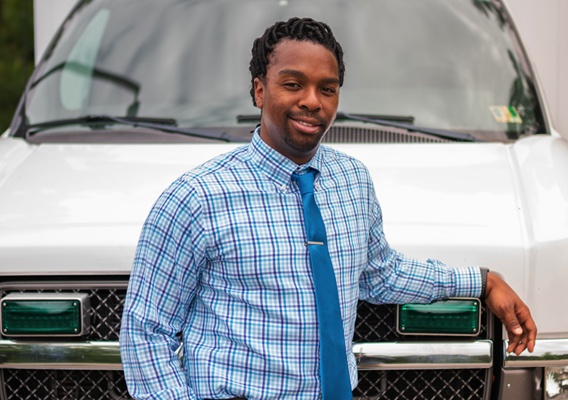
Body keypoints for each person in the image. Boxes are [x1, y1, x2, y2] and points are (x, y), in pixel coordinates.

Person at [120, 17, 537, 400]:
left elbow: (380, 273)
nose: (312, 101)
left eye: (327, 88)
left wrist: (482, 281)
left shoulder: (352, 180)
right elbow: (146, 332)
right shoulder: (196, 197)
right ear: (259, 89)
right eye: (292, 84)